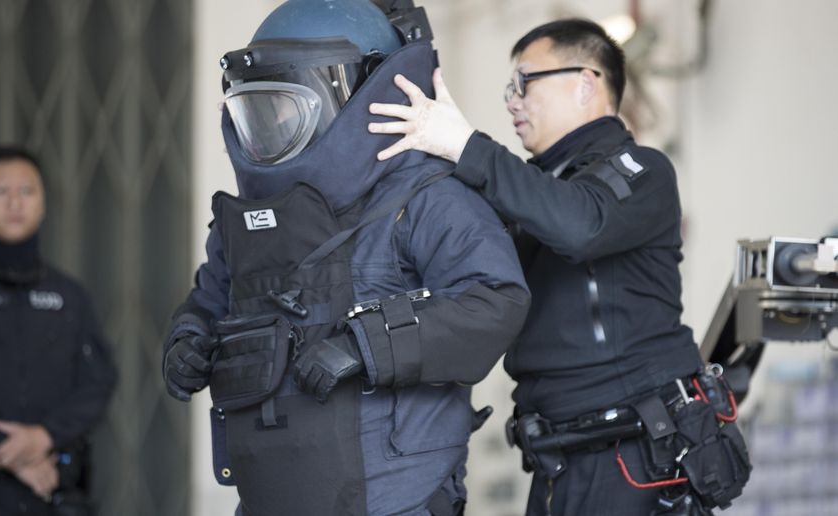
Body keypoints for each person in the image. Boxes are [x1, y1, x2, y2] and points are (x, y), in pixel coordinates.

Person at [368, 17, 750, 516]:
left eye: (524, 82)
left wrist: (465, 145)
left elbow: (579, 225)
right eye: (510, 88)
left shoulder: (642, 171)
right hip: (557, 459)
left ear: (586, 83)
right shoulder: (527, 192)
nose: (512, 100)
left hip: (635, 458)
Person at [160, 1, 530, 515]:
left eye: (287, 107)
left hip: (394, 496)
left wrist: (367, 345)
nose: (273, 125)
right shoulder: (249, 220)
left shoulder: (423, 197)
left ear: (358, 98)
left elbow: (495, 298)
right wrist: (187, 339)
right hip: (268, 494)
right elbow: (210, 299)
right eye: (259, 110)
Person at [0, 146, 117, 515]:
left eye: (27, 191)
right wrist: (10, 452)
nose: (15, 203)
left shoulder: (67, 295)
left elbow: (99, 381)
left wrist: (43, 436)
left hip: (52, 492)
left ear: (42, 204)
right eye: (0, 192)